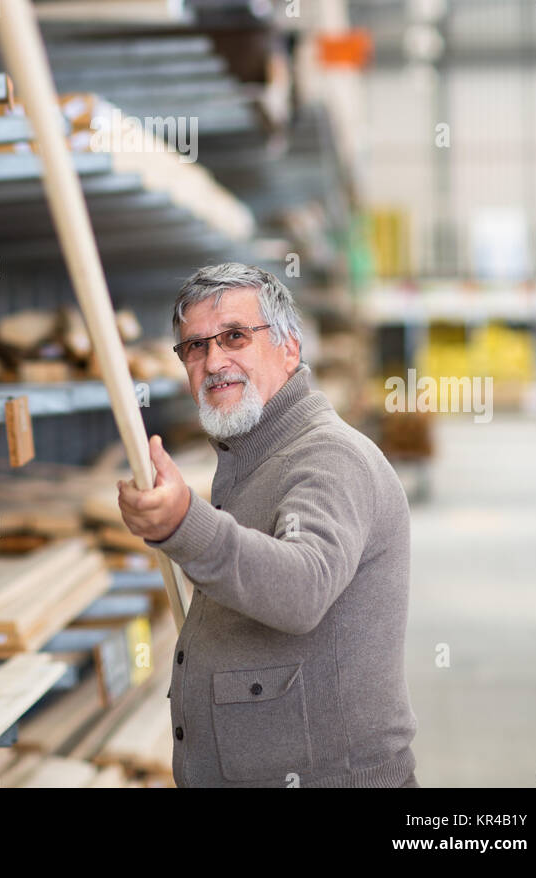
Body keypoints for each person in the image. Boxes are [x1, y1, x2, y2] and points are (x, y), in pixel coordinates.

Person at [117, 262, 420, 788]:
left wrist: (184, 522)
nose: (214, 361)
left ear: (289, 349)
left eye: (235, 337)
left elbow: (302, 589)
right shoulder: (251, 458)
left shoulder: (328, 456)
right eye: (195, 346)